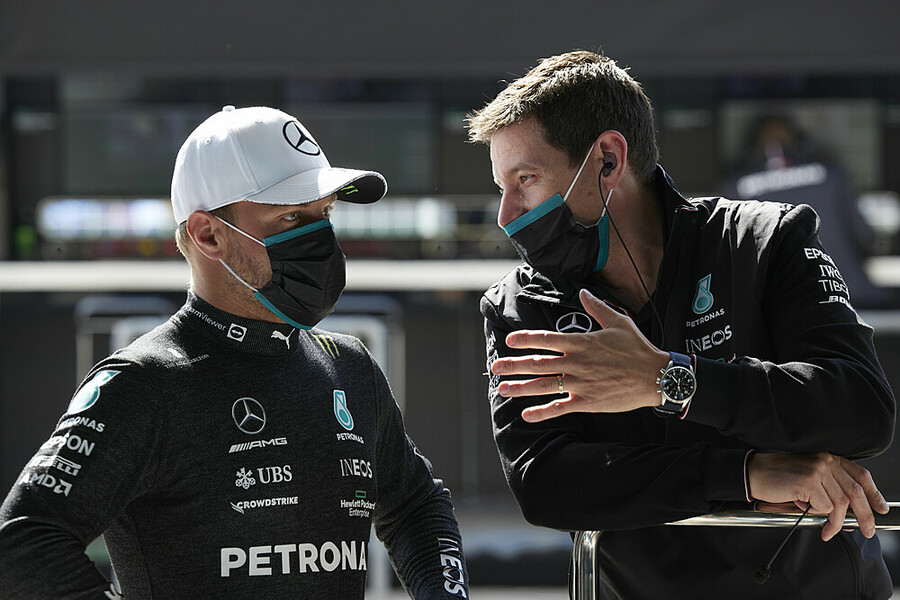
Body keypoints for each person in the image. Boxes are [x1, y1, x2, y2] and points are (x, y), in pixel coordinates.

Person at [466, 50, 895, 599]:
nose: (507, 215)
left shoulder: (763, 241)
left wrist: (669, 381)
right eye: (502, 186)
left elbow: (861, 410)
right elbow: (546, 483)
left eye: (525, 179)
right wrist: (744, 473)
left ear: (608, 159)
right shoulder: (522, 307)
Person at [0, 105, 469, 599]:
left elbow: (416, 506)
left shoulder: (349, 366)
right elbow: (23, 543)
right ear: (208, 234)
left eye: (325, 213)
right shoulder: (143, 382)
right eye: (291, 216)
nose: (320, 238)